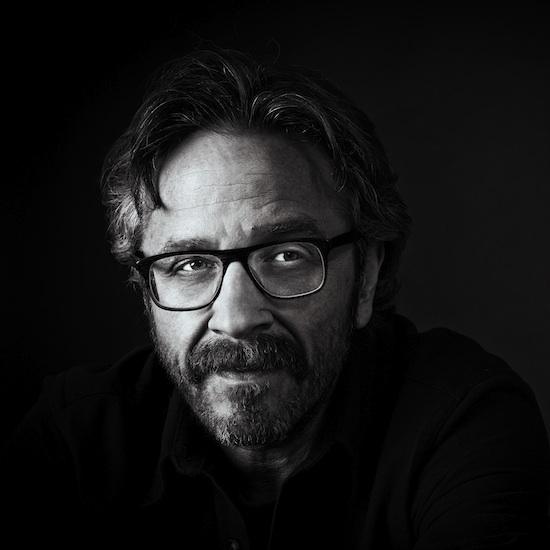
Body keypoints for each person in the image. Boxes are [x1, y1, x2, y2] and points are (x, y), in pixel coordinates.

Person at [2, 48, 549, 549]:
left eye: (286, 255)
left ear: (367, 276)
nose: (236, 318)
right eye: (189, 265)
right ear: (146, 289)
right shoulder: (76, 439)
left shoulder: (462, 423)